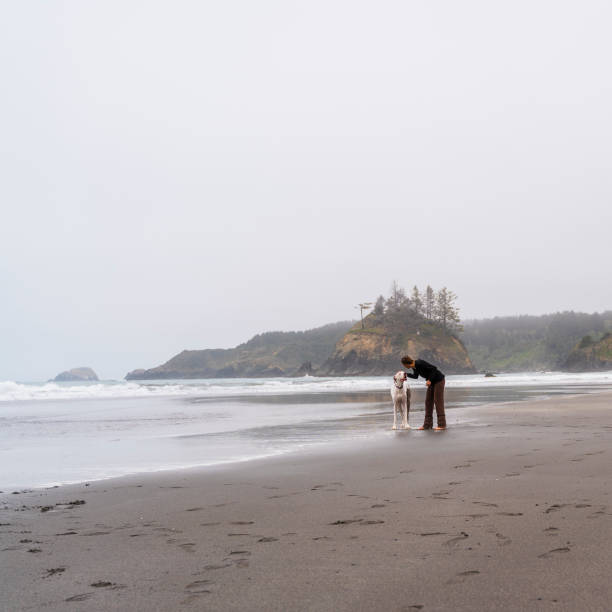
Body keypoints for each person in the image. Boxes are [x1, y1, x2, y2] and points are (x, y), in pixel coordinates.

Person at [401, 355, 446, 430]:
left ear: (406, 364)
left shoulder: (419, 363)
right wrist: (405, 374)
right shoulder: (414, 367)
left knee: (438, 401)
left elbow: (434, 369)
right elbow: (415, 376)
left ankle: (442, 425)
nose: (404, 366)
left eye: (404, 365)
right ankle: (427, 425)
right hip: (432, 382)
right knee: (428, 402)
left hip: (439, 380)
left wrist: (429, 380)